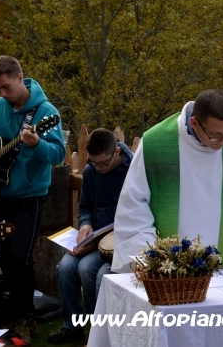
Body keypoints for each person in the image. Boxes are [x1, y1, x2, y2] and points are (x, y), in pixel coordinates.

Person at [0, 56, 65, 346]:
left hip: (28, 197)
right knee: (5, 257)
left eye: (6, 87)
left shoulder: (46, 113)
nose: (2, 94)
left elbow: (58, 155)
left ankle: (25, 317)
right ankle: (13, 311)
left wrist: (38, 143)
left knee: (21, 257)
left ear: (20, 77)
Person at [110, 89, 223, 274]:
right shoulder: (156, 144)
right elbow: (133, 207)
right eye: (216, 135)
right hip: (168, 273)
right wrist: (153, 256)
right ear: (194, 123)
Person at [48, 129, 133, 344]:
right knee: (66, 267)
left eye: (102, 163)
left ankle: (98, 333)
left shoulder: (133, 172)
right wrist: (85, 224)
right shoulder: (91, 171)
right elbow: (84, 206)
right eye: (92, 162)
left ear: (116, 153)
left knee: (87, 269)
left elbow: (126, 216)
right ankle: (73, 326)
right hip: (93, 237)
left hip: (116, 241)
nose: (97, 168)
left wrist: (94, 239)